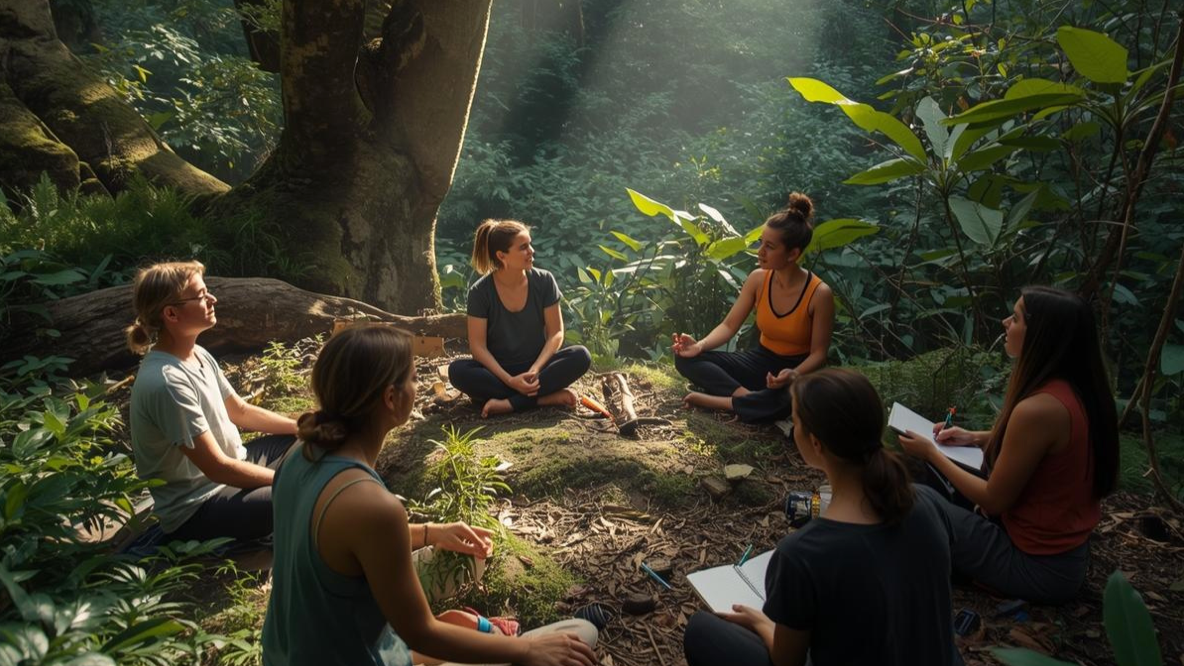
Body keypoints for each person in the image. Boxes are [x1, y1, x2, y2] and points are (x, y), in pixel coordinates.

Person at [262, 324, 598, 666]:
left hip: (292, 653)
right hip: (364, 656)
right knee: (582, 634)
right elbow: (421, 632)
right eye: (412, 378)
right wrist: (526, 651)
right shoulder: (373, 506)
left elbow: (340, 544)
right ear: (391, 399)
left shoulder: (298, 454)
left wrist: (430, 532)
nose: (418, 385)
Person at [683, 369, 962, 666]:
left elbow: (786, 661)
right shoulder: (926, 504)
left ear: (815, 443)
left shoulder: (804, 553)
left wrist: (764, 624)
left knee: (702, 631)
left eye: (796, 421)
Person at [898, 286, 1119, 605]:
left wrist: (931, 452)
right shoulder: (1075, 391)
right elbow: (1045, 448)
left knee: (911, 494)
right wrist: (973, 437)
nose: (1005, 322)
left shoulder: (1040, 409)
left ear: (1041, 336)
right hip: (1060, 556)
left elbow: (994, 499)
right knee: (939, 469)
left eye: (1015, 318)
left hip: (1036, 568)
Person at [126, 261, 298, 544]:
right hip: (200, 507)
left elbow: (240, 411)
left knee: (313, 444)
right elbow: (216, 468)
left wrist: (300, 428)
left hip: (235, 465)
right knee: (305, 495)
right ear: (171, 313)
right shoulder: (166, 381)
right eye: (201, 295)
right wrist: (286, 481)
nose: (213, 299)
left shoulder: (198, 354)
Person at [673, 193, 834, 422]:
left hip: (796, 371)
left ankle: (720, 401)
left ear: (793, 254)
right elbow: (729, 325)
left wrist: (793, 374)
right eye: (761, 242)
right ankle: (747, 398)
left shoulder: (820, 294)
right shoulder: (758, 279)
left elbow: (819, 353)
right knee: (685, 359)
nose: (760, 251)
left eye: (769, 246)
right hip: (760, 362)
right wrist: (699, 346)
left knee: (791, 401)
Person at [448, 219, 591, 418]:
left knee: (580, 356)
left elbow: (556, 333)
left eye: (530, 244)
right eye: (523, 247)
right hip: (499, 373)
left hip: (538, 370)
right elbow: (478, 347)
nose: (531, 251)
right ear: (501, 256)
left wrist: (535, 369)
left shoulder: (544, 281)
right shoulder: (480, 292)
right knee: (457, 371)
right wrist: (510, 380)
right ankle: (542, 398)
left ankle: (508, 403)